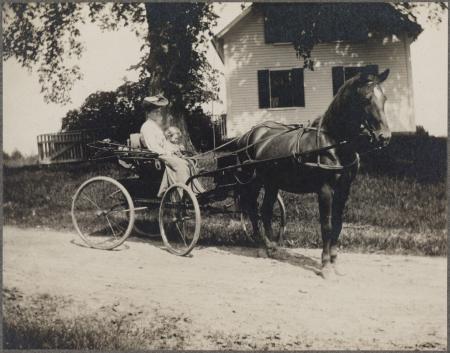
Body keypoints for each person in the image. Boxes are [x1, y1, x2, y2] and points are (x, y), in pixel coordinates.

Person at [140, 94, 204, 197]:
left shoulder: (154, 126)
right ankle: (186, 193)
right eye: (156, 112)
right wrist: (168, 152)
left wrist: (173, 150)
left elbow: (164, 143)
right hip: (157, 155)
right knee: (180, 165)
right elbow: (153, 147)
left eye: (158, 111)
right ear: (149, 113)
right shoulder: (147, 127)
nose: (158, 114)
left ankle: (195, 190)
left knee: (188, 162)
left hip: (164, 153)